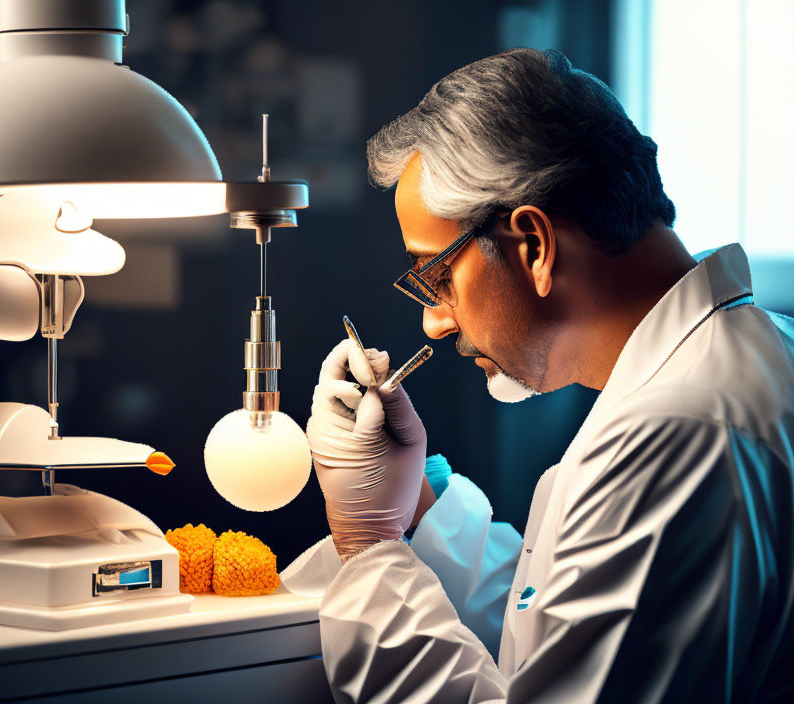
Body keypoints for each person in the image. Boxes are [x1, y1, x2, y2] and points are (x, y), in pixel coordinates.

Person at [304, 49, 794, 702]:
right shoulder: (745, 354)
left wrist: (369, 549)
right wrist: (420, 506)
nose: (435, 324)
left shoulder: (675, 430)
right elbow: (558, 620)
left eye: (437, 277)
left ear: (532, 244)